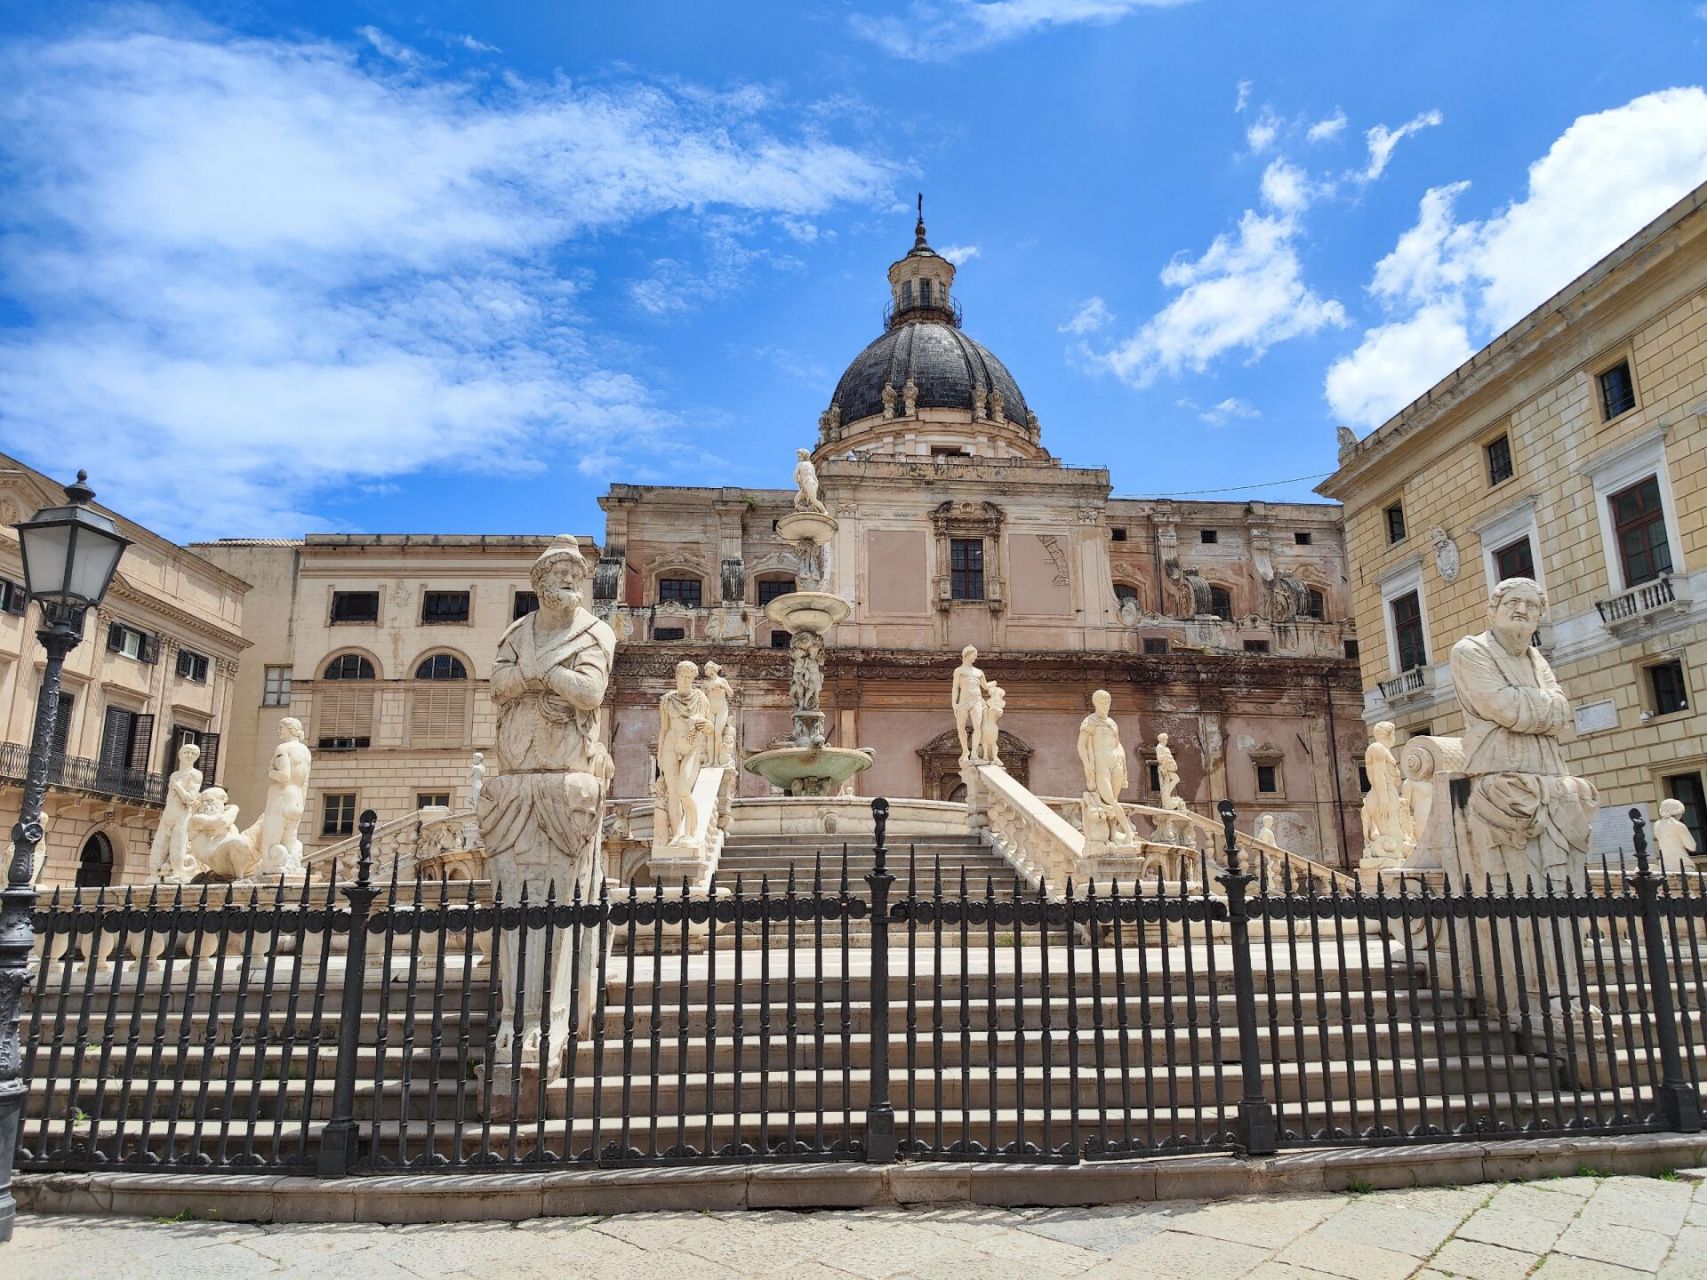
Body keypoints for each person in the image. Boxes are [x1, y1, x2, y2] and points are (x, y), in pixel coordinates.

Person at [481, 535, 617, 1054]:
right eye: (559, 574)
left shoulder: (595, 631)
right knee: (516, 900)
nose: (570, 581)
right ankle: (521, 1014)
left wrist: (536, 676)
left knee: (563, 897)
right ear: (539, 583)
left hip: (566, 777)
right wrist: (548, 679)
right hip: (516, 775)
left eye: (575, 575)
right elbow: (496, 685)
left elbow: (591, 692)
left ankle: (548, 1013)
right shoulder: (517, 631)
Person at [657, 660, 713, 844]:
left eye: (689, 678)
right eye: (682, 676)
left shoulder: (700, 698)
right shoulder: (667, 700)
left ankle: (692, 829)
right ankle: (678, 834)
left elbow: (710, 727)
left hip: (691, 747)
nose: (684, 681)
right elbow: (664, 729)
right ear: (676, 676)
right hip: (670, 745)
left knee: (683, 790)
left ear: (693, 679)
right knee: (672, 792)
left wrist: (708, 726)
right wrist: (658, 754)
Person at [1076, 689, 1136, 844]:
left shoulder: (1112, 723)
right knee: (1111, 800)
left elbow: (1118, 744)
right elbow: (1081, 746)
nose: (1105, 706)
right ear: (1095, 703)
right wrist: (1088, 765)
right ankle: (1128, 831)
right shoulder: (1090, 721)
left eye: (1107, 702)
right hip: (1101, 765)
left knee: (1112, 801)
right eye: (1102, 703)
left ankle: (1113, 835)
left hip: (1116, 764)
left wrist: (1124, 765)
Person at [150, 741, 202, 880]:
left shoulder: (195, 775)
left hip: (182, 814)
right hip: (168, 814)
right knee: (158, 846)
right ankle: (155, 874)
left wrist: (178, 787)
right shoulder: (174, 775)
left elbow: (190, 799)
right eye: (186, 752)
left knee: (178, 845)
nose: (189, 755)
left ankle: (178, 873)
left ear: (196, 757)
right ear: (180, 755)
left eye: (192, 753)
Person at [951, 646, 990, 763]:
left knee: (978, 726)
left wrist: (994, 684)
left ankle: (974, 752)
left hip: (977, 701)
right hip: (963, 701)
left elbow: (986, 686)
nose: (976, 657)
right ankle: (965, 751)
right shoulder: (959, 671)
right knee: (960, 728)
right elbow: (955, 688)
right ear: (968, 654)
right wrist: (954, 703)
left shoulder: (979, 672)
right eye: (975, 654)